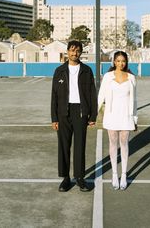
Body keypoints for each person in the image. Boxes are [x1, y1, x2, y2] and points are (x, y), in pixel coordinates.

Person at [51, 40, 97, 192]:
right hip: (63, 112)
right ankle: (65, 178)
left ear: (81, 52)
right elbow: (54, 96)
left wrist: (93, 115)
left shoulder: (86, 71)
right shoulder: (59, 71)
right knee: (63, 146)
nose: (74, 53)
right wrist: (54, 118)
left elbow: (92, 94)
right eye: (72, 50)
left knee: (80, 146)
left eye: (77, 51)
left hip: (81, 112)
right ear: (67, 52)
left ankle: (80, 178)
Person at [98, 51, 138, 190]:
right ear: (114, 62)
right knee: (113, 143)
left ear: (126, 62)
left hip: (126, 116)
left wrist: (135, 118)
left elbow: (135, 100)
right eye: (118, 60)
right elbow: (101, 96)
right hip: (111, 115)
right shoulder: (108, 77)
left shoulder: (132, 78)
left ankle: (124, 174)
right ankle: (115, 174)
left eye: (123, 61)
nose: (121, 63)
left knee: (124, 144)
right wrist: (93, 115)